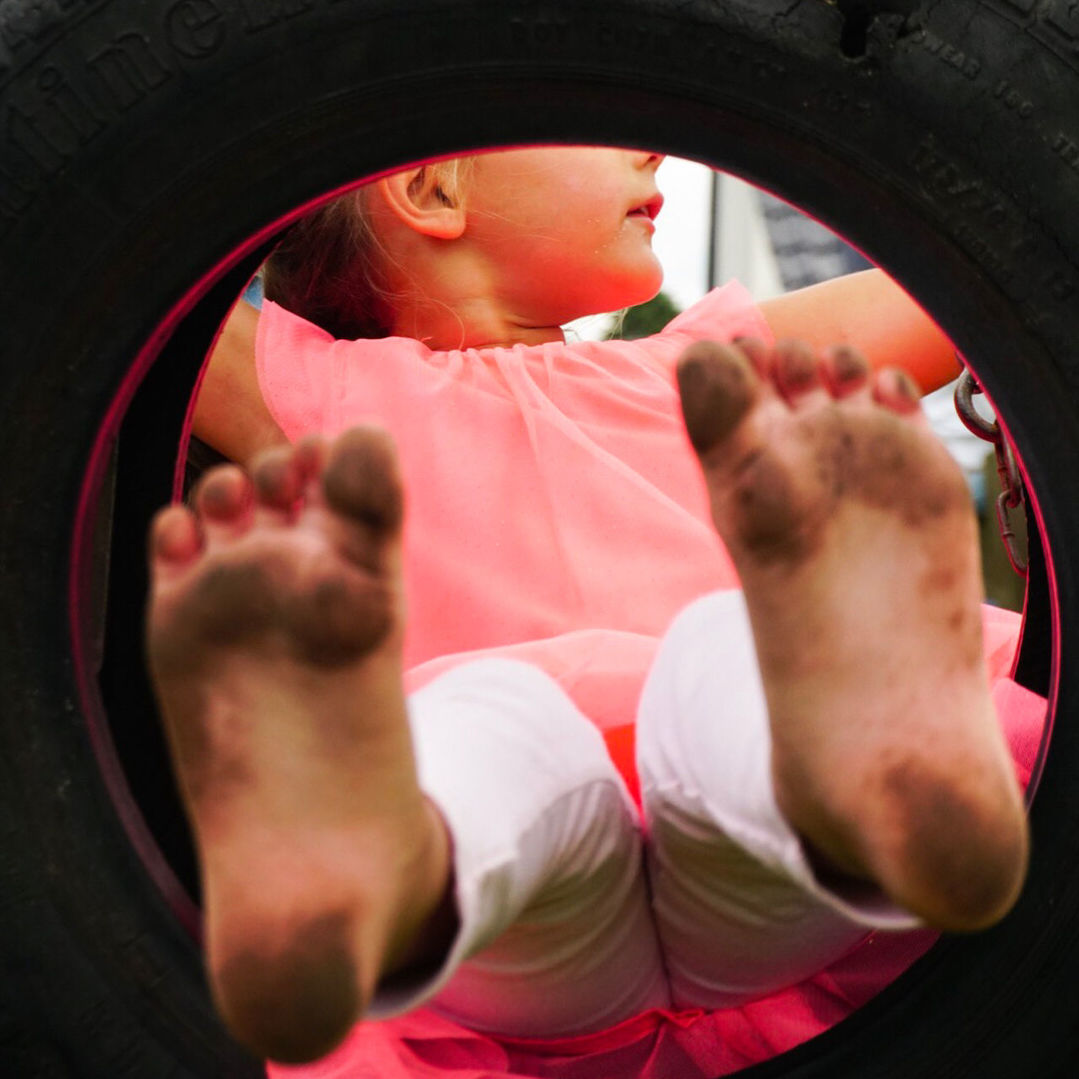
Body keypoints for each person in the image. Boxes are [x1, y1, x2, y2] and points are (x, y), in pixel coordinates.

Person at [146, 148, 1037, 1076]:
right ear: (431, 186)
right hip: (540, 950)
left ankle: (854, 790)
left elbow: (988, 279)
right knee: (502, 725)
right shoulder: (325, 400)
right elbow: (105, 246)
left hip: (740, 926)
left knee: (719, 663)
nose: (649, 145)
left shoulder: (702, 371)